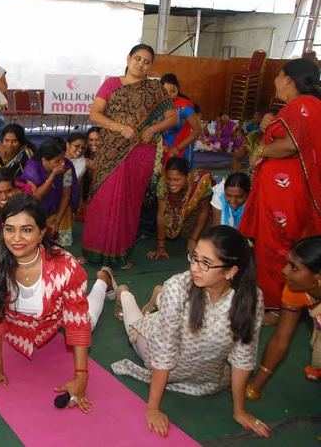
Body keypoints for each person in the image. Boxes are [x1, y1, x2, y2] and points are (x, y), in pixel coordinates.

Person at [108, 226, 268, 438]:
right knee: (134, 325)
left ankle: (157, 297)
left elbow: (243, 356)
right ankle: (125, 294)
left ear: (231, 271)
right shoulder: (179, 287)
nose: (195, 268)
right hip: (154, 342)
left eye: (206, 263)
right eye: (195, 258)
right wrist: (153, 408)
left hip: (203, 369)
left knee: (162, 309)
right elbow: (164, 352)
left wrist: (240, 411)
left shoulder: (251, 299)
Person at [0, 194, 92, 412]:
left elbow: (78, 323)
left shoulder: (67, 268)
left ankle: (104, 280)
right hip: (15, 330)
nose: (16, 238)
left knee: (92, 312)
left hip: (56, 322)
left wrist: (81, 377)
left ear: (41, 233)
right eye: (10, 229)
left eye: (26, 230)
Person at [83, 44, 177, 268]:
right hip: (111, 149)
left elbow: (172, 118)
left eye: (146, 61)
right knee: (104, 199)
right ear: (128, 59)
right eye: (138, 58)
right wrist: (118, 127)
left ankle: (120, 254)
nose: (141, 64)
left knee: (129, 201)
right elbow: (94, 115)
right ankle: (94, 253)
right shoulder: (111, 84)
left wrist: (153, 129)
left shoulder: (155, 89)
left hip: (141, 152)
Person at [240, 58, 321, 314]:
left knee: (275, 248)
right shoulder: (304, 106)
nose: (275, 81)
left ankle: (276, 306)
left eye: (277, 75)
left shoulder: (301, 105)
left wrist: (260, 150)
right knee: (285, 246)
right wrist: (269, 123)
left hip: (284, 195)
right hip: (286, 191)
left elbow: (291, 144)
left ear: (288, 79)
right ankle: (293, 301)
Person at [246, 236, 321, 400]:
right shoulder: (295, 288)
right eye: (288, 263)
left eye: (294, 267)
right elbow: (281, 338)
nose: (284, 271)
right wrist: (255, 385)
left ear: (318, 277)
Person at [18, 137, 79, 247]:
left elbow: (66, 195)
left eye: (62, 159)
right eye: (57, 161)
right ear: (44, 160)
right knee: (36, 241)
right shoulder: (32, 168)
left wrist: (57, 220)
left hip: (58, 207)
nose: (62, 164)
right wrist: (53, 176)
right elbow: (36, 197)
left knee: (63, 241)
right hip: (36, 208)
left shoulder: (67, 166)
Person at [148, 157, 213, 260]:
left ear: (187, 177)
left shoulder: (201, 182)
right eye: (169, 179)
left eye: (177, 179)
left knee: (207, 238)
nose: (171, 183)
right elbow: (161, 215)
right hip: (177, 212)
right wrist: (161, 247)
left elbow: (204, 210)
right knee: (171, 228)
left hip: (196, 214)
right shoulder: (163, 183)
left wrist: (193, 239)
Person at [160, 73, 201, 167]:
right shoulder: (159, 106)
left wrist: (177, 148)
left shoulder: (184, 107)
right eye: (165, 92)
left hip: (181, 149)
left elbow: (197, 130)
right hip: (164, 149)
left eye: (172, 91)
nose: (169, 95)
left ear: (177, 89)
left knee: (179, 177)